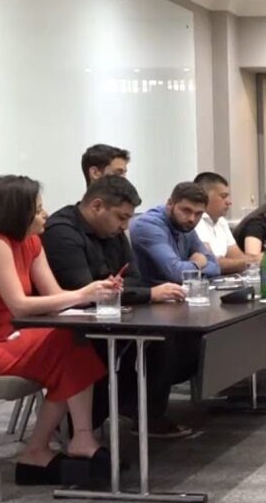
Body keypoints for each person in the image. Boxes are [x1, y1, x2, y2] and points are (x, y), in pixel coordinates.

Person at [0, 175, 113, 485]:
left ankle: (59, 444)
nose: (45, 214)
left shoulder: (31, 242)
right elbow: (20, 306)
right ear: (15, 213)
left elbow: (54, 297)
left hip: (5, 338)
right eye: (37, 209)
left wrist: (95, 292)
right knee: (67, 346)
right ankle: (65, 442)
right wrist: (83, 295)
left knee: (72, 341)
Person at [42, 175, 196, 438]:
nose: (125, 226)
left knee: (168, 337)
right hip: (70, 325)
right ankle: (84, 424)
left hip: (111, 314)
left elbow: (133, 277)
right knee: (134, 344)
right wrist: (143, 293)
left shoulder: (112, 230)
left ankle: (145, 414)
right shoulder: (61, 232)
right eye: (121, 217)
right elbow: (85, 290)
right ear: (97, 206)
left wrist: (116, 289)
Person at [129, 182, 219, 285]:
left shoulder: (185, 226)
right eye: (186, 210)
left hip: (176, 291)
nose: (192, 219)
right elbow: (176, 274)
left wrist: (190, 271)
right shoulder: (148, 225)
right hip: (148, 292)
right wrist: (197, 264)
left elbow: (216, 267)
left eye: (198, 213)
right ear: (170, 204)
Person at [194, 172, 252, 274]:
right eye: (223, 196)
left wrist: (245, 262)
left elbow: (238, 258)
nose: (229, 202)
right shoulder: (195, 222)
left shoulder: (221, 221)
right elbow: (212, 263)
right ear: (205, 197)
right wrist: (253, 261)